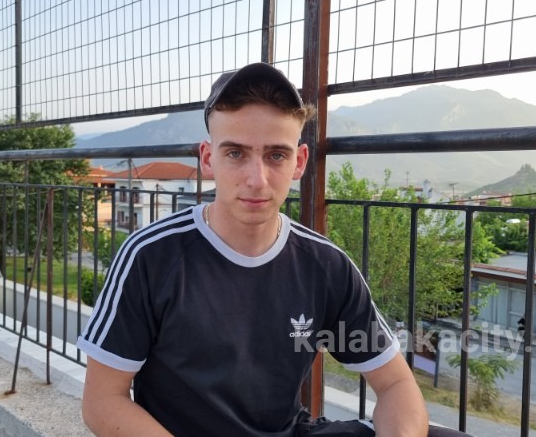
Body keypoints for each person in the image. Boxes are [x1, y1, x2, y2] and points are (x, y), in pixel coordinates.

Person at [77, 62, 471, 436]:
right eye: (235, 153)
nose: (257, 179)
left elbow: (396, 383)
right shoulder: (151, 256)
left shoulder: (325, 265)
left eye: (276, 155)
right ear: (208, 158)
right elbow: (102, 401)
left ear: (299, 162)